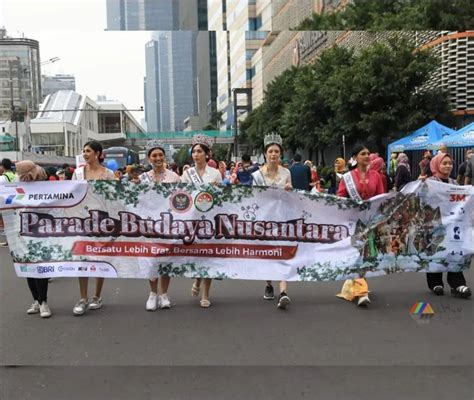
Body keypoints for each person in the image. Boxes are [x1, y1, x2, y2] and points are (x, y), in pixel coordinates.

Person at [336, 144, 385, 306]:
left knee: (366, 254)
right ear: (355, 158)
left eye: (368, 154)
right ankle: (362, 291)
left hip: (369, 221)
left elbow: (381, 197)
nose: (366, 156)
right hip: (353, 221)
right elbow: (340, 197)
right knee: (356, 253)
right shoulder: (347, 177)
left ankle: (356, 285)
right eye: (363, 154)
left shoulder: (376, 176)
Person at [72, 141, 116, 316]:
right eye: (83, 151)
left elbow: (115, 197)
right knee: (82, 258)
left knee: (100, 258)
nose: (85, 154)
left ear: (98, 153)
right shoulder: (77, 173)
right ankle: (83, 298)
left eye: (88, 151)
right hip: (82, 221)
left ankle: (96, 296)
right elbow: (71, 194)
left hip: (102, 222)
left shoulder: (108, 174)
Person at [138, 140, 181, 311]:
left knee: (166, 260)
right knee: (151, 261)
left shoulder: (174, 177)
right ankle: (152, 294)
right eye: (154, 155)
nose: (158, 158)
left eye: (160, 155)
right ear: (149, 158)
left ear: (164, 157)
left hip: (168, 224)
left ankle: (164, 294)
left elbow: (180, 200)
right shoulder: (142, 179)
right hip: (148, 225)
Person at [252, 133, 293, 309]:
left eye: (277, 151)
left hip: (282, 218)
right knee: (268, 253)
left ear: (280, 154)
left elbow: (291, 196)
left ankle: (283, 292)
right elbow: (254, 198)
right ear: (265, 154)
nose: (274, 154)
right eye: (271, 151)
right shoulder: (257, 175)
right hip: (264, 219)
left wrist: (289, 190)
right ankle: (269, 284)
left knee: (283, 252)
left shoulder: (287, 172)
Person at [181, 134, 222, 308]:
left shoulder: (216, 173)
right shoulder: (187, 174)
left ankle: (205, 293)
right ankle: (197, 281)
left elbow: (222, 198)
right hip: (193, 220)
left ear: (207, 154)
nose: (196, 154)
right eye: (194, 151)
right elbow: (181, 197)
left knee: (209, 256)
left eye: (199, 151)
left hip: (210, 219)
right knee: (198, 256)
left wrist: (216, 189)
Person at [427, 152, 471, 298]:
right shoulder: (429, 182)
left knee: (455, 251)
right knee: (436, 251)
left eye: (450, 163)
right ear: (436, 164)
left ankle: (457, 283)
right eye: (444, 163)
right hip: (435, 224)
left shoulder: (454, 184)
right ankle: (435, 283)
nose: (448, 166)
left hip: (453, 226)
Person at [16, 161, 52, 318]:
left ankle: (43, 302)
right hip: (23, 230)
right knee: (28, 267)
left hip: (41, 230)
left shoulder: (44, 186)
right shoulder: (17, 187)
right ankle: (36, 300)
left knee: (40, 267)